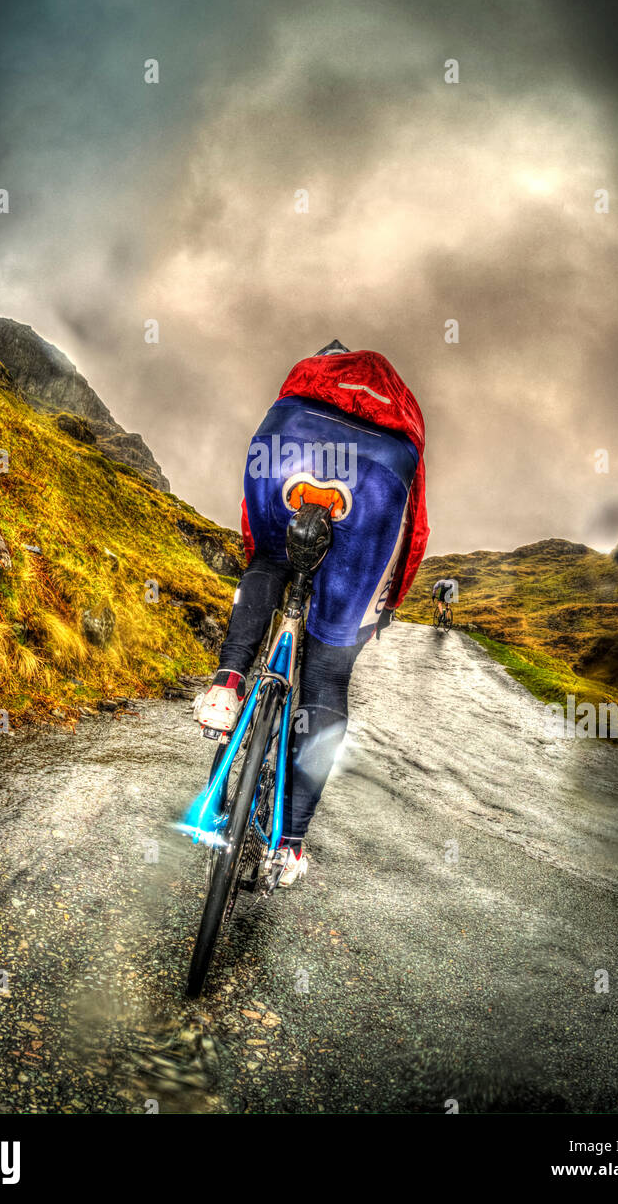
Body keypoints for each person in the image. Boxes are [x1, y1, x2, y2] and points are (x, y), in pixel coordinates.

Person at [195, 340, 428, 885]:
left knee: (271, 556)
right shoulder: (403, 405)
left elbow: (257, 522)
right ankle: (291, 845)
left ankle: (226, 688)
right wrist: (383, 604)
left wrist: (266, 559)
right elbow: (414, 527)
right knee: (325, 674)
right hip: (381, 471)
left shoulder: (307, 375)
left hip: (289, 440)